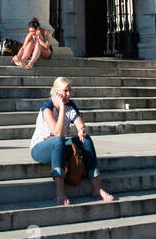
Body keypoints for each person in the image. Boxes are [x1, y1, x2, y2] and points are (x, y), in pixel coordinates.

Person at [30, 76, 114, 208]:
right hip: (40, 148)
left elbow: (80, 125)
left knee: (85, 139)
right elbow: (58, 133)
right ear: (57, 93)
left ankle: (97, 188)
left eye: (70, 91)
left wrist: (81, 130)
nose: (69, 94)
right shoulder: (47, 108)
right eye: (66, 91)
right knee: (58, 140)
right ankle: (60, 191)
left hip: (59, 143)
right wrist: (62, 108)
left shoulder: (71, 105)